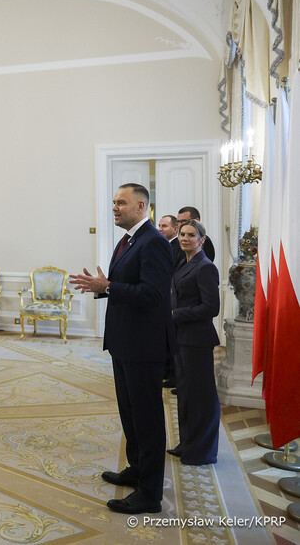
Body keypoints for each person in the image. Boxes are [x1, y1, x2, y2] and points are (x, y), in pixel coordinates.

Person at [70, 183, 172, 515]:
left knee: (147, 418)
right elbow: (129, 286)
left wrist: (110, 286)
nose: (115, 207)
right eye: (114, 202)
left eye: (121, 203)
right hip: (124, 343)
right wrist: (102, 288)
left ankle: (150, 494)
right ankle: (137, 469)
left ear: (141, 206)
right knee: (130, 413)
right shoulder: (128, 240)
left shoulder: (154, 242)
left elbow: (154, 295)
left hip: (144, 346)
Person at [168, 220, 221, 465]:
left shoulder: (206, 267)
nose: (185, 238)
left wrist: (175, 315)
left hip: (197, 340)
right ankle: (187, 444)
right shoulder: (183, 262)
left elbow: (211, 307)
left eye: (191, 235)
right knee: (186, 395)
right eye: (182, 234)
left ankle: (203, 452)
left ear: (202, 240)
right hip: (181, 337)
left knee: (201, 397)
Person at [157, 213, 180, 390]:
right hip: (163, 296)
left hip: (173, 297)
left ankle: (174, 374)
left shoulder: (178, 246)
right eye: (159, 226)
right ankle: (165, 371)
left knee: (172, 338)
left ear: (175, 228)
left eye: (164, 226)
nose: (160, 229)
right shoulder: (163, 244)